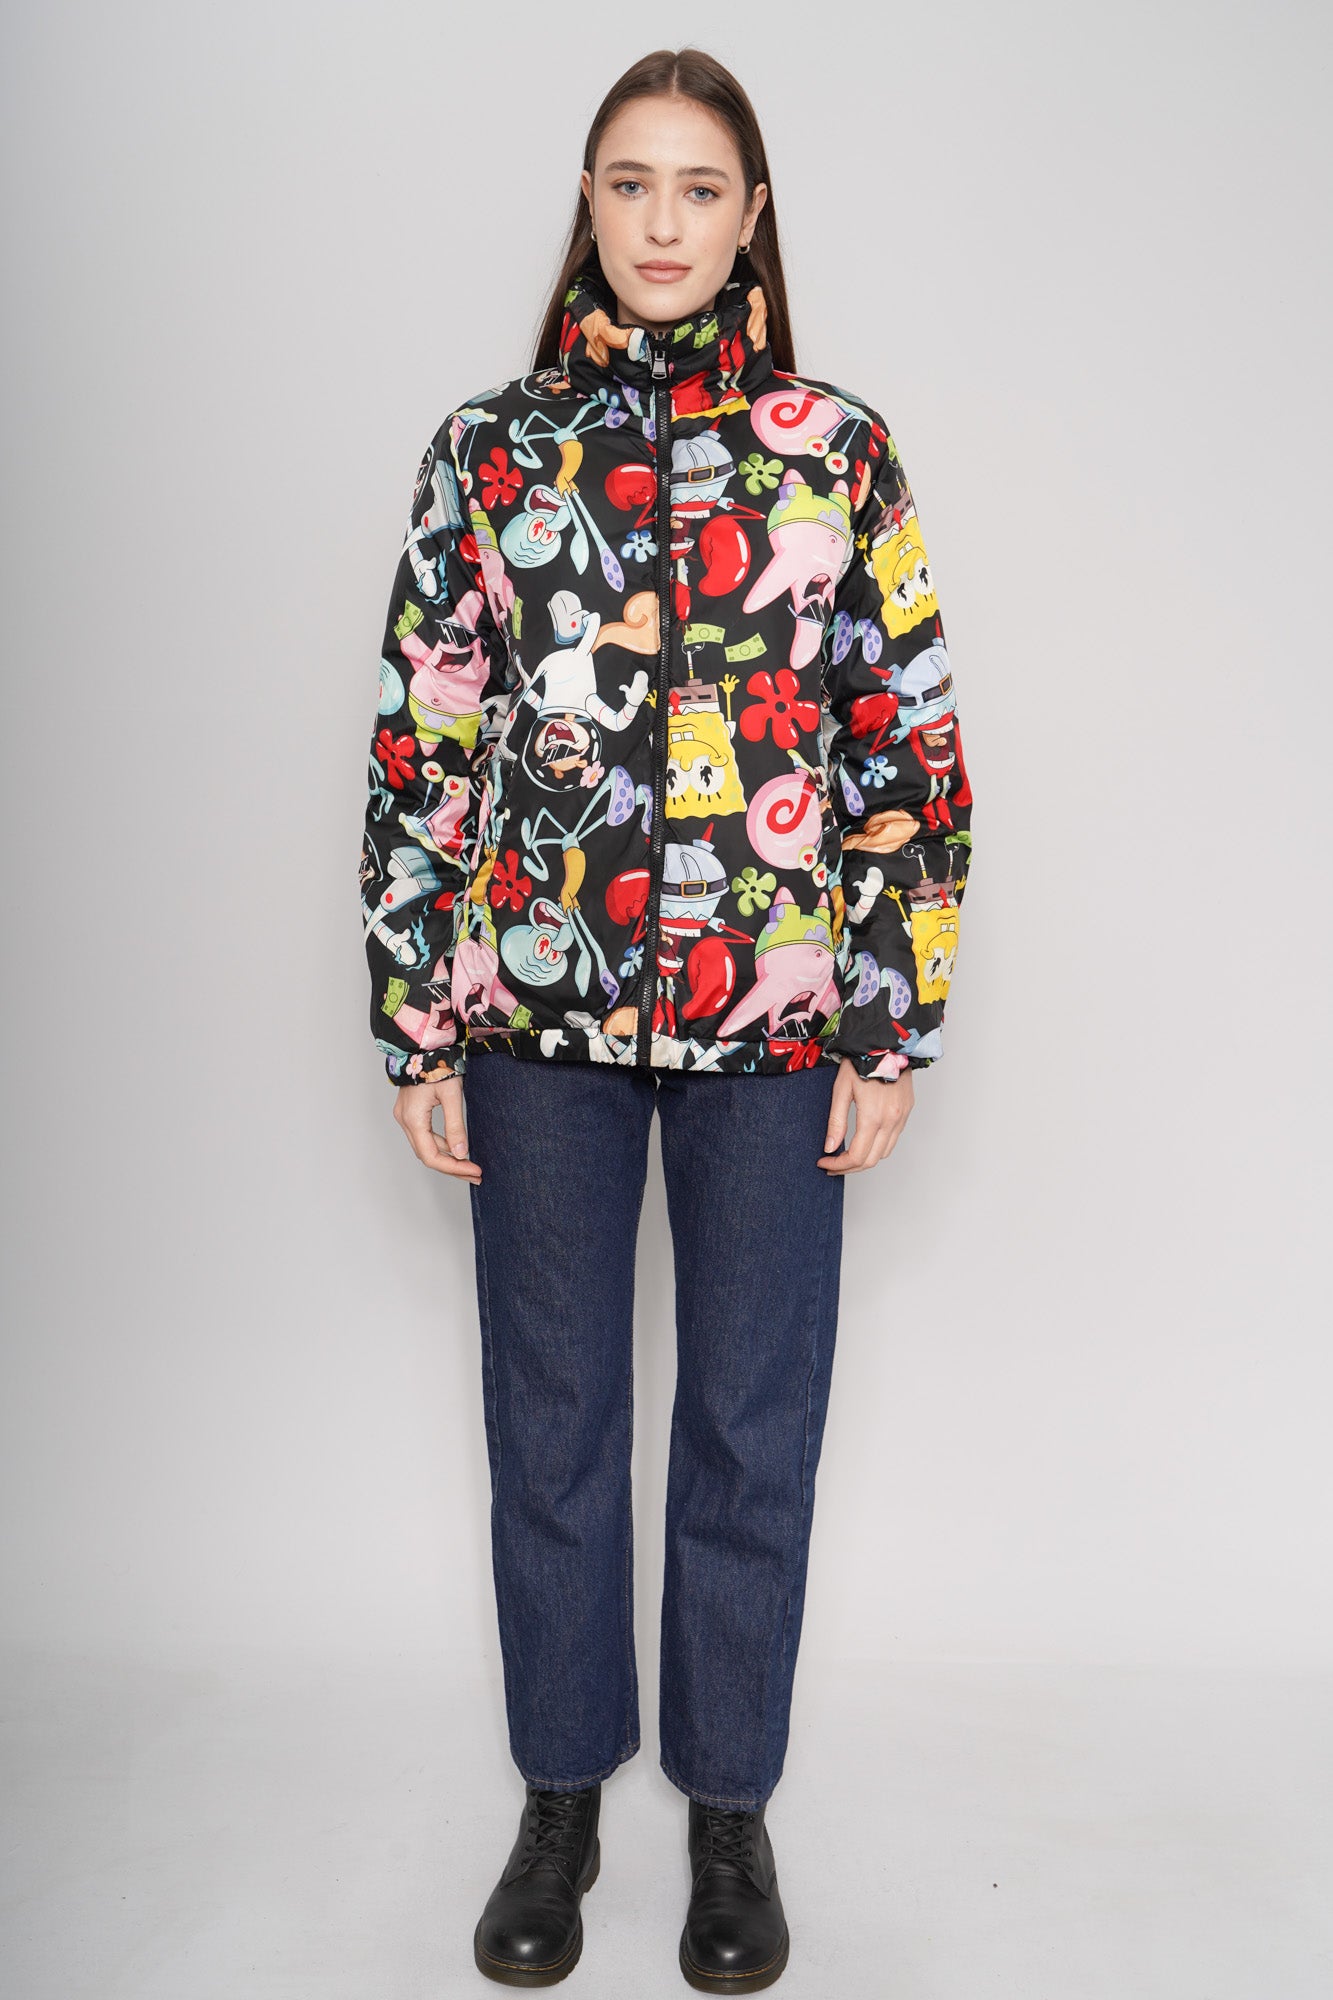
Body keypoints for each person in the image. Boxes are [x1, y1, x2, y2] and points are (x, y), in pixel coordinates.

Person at [359, 45, 972, 1992]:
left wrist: (886, 1019)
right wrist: (419, 1015)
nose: (660, 223)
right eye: (629, 184)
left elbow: (904, 748)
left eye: (699, 189)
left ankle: (728, 1812)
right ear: (589, 204)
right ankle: (559, 1795)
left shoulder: (834, 452)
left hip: (769, 1031)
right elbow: (424, 736)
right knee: (548, 1426)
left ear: (750, 217)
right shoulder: (491, 450)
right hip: (532, 1017)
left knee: (746, 1428)